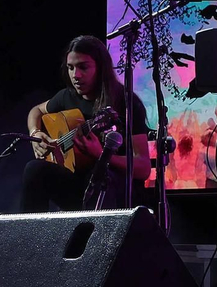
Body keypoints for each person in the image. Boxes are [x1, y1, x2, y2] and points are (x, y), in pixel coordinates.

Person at [20, 35, 151, 212]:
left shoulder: (127, 103)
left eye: (83, 67)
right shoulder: (67, 96)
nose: (75, 75)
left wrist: (102, 156)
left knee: (99, 175)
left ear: (101, 67)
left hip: (114, 192)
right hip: (78, 186)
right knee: (34, 169)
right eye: (70, 68)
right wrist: (35, 132)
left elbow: (143, 168)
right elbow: (36, 111)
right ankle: (31, 237)